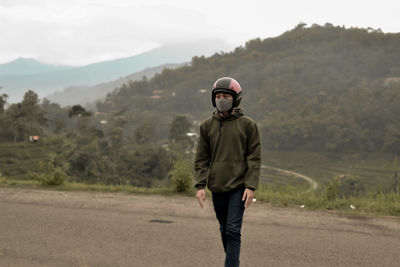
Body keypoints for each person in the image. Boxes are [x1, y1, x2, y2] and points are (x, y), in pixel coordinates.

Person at [194, 77, 261, 267]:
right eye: (219, 96)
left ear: (235, 99)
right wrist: (200, 185)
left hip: (238, 186)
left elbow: (254, 157)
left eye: (226, 96)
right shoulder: (207, 126)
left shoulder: (247, 125)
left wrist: (251, 185)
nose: (222, 100)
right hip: (217, 186)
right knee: (224, 229)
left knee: (233, 230)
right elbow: (201, 158)